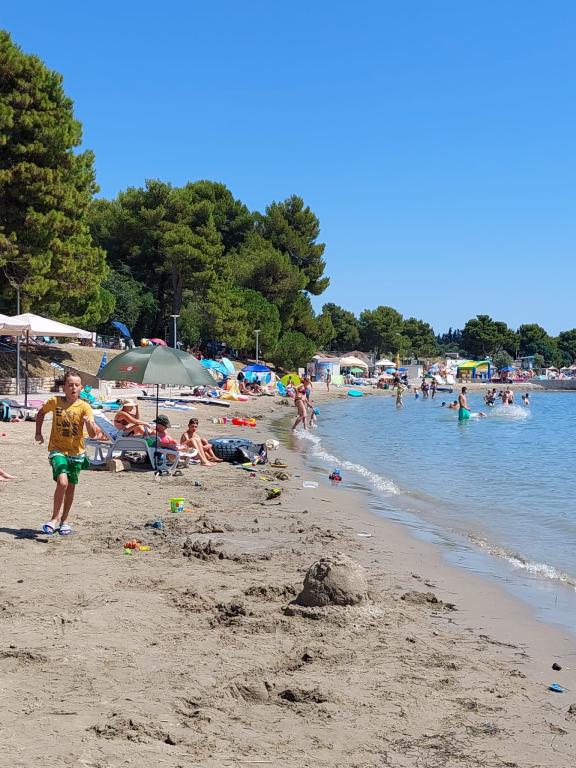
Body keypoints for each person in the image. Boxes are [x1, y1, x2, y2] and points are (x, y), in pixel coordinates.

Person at [35, 371, 97, 535]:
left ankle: (64, 521)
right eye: (70, 385)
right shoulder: (55, 402)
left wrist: (88, 424)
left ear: (81, 388)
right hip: (57, 450)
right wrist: (38, 432)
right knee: (62, 482)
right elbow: (41, 412)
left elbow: (93, 434)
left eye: (77, 385)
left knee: (70, 488)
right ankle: (54, 519)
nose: (73, 388)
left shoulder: (85, 407)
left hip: (76, 453)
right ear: (64, 387)